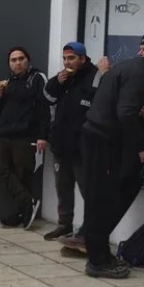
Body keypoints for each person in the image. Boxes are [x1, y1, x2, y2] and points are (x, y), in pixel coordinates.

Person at [80, 45, 144, 279]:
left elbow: (118, 99)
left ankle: (100, 254)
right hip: (102, 139)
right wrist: (142, 147)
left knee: (99, 199)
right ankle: (98, 260)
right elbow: (125, 113)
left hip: (96, 135)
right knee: (102, 199)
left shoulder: (131, 66)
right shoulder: (140, 75)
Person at [42, 42, 100, 240]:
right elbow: (48, 97)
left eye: (72, 58)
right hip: (61, 145)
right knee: (63, 188)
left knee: (88, 190)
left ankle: (90, 228)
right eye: (65, 58)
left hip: (83, 148)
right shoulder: (63, 78)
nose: (67, 62)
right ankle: (64, 224)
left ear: (83, 59)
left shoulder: (95, 76)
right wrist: (57, 82)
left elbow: (101, 104)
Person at [0, 47, 50, 230]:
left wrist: (43, 136)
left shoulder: (37, 79)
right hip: (4, 135)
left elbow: (45, 108)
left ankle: (21, 212)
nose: (17, 63)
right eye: (13, 60)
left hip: (25, 135)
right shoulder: (7, 82)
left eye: (21, 59)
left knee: (23, 174)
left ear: (28, 60)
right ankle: (27, 202)